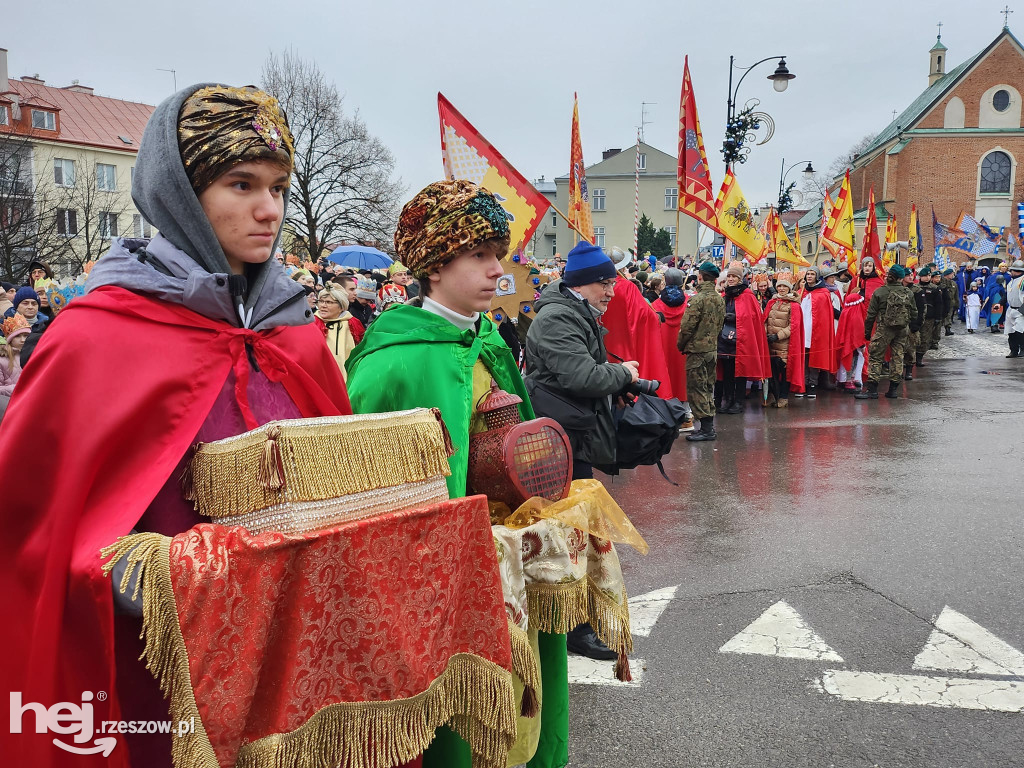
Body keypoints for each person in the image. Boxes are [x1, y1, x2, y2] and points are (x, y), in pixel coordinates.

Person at [0, 83, 352, 768]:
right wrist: (151, 576)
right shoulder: (94, 338)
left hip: (289, 659)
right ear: (182, 194)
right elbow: (28, 531)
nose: (268, 210)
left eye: (279, 187)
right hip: (156, 674)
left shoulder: (298, 337)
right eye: (241, 183)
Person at [345, 179, 563, 768]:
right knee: (457, 715)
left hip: (508, 554)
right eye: (480, 256)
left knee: (522, 705)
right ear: (435, 267)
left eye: (499, 254)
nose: (499, 270)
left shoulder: (488, 337)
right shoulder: (393, 360)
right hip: (439, 566)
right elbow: (365, 484)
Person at [601, 246, 675, 399]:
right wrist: (656, 316)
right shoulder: (627, 287)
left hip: (604, 341)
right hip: (625, 342)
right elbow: (644, 315)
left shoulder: (596, 286)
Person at [678, 262, 725, 441]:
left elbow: (687, 327)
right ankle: (707, 427)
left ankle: (706, 429)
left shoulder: (697, 299)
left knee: (697, 389)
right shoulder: (720, 298)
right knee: (707, 387)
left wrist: (681, 345)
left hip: (697, 351)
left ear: (700, 277)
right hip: (712, 349)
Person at [716, 263, 770, 414]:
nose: (731, 279)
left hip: (741, 341)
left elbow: (753, 317)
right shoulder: (726, 295)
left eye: (734, 276)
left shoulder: (747, 295)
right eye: (729, 276)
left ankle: (738, 402)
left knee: (740, 372)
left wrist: (736, 317)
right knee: (726, 372)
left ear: (740, 278)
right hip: (725, 340)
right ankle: (728, 400)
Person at [857, 265, 914, 399]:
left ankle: (872, 390)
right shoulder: (908, 292)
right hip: (902, 329)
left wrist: (867, 332)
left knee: (876, 357)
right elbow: (914, 312)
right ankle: (893, 390)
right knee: (898, 357)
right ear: (901, 278)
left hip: (884, 329)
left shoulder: (880, 292)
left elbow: (871, 315)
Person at [650, 268, 692, 429]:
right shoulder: (689, 302)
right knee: (684, 379)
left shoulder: (655, 305)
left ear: (665, 282)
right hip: (684, 349)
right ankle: (686, 415)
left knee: (665, 377)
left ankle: (667, 416)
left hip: (663, 349)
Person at [763, 275, 804, 407]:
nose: (781, 288)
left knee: (784, 372)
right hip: (770, 344)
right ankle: (773, 396)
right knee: (772, 372)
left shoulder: (794, 305)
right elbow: (765, 320)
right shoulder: (772, 302)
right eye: (779, 286)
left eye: (784, 286)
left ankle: (783, 397)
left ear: (789, 288)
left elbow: (794, 326)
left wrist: (778, 336)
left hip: (785, 345)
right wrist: (764, 333)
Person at [799, 267, 839, 398]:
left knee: (814, 358)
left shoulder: (823, 293)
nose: (809, 276)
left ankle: (812, 384)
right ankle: (803, 383)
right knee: (803, 358)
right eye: (808, 274)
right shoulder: (801, 292)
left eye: (812, 274)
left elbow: (825, 314)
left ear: (817, 277)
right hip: (802, 330)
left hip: (816, 331)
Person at [316, 285, 364, 378]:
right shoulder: (312, 323)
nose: (323, 305)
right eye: (321, 301)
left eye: (329, 302)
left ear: (341, 307)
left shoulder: (352, 324)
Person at [1005, 261, 1024, 357]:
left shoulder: (1023, 281)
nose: (1010, 272)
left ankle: (1023, 349)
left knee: (1020, 331)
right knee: (1011, 332)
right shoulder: (1012, 281)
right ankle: (1013, 350)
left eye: (1012, 270)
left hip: (1020, 310)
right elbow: (1008, 294)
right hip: (1011, 309)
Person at [940, 267, 959, 335]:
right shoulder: (941, 282)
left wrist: (957, 303)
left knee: (949, 316)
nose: (952, 275)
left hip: (951, 302)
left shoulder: (953, 283)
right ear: (947, 275)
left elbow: (956, 294)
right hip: (942, 302)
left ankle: (948, 328)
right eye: (951, 274)